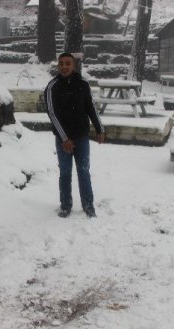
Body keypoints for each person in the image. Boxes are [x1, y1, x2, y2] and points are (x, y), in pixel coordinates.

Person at [44, 52, 105, 218]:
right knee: (65, 173)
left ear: (74, 65)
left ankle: (88, 204)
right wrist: (64, 139)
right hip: (63, 139)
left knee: (84, 171)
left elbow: (90, 107)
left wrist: (99, 129)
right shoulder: (52, 87)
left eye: (68, 63)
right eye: (61, 63)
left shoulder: (83, 84)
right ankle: (65, 205)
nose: (64, 67)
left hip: (82, 137)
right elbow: (52, 114)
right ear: (58, 66)